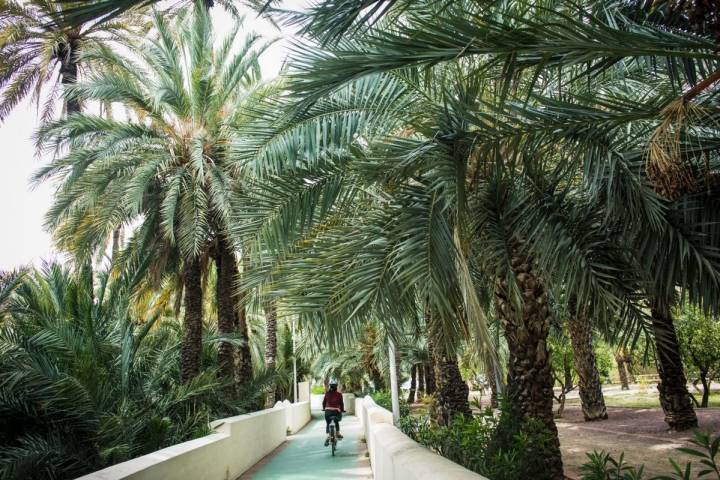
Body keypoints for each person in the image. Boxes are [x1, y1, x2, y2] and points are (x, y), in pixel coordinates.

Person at [322, 382, 345, 446]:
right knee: (336, 421)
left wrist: (324, 408)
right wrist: (342, 410)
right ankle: (337, 433)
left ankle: (327, 437)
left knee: (328, 423)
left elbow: (323, 402)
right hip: (336, 412)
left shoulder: (327, 394)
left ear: (330, 387)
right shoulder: (339, 394)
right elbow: (341, 404)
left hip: (327, 412)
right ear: (336, 387)